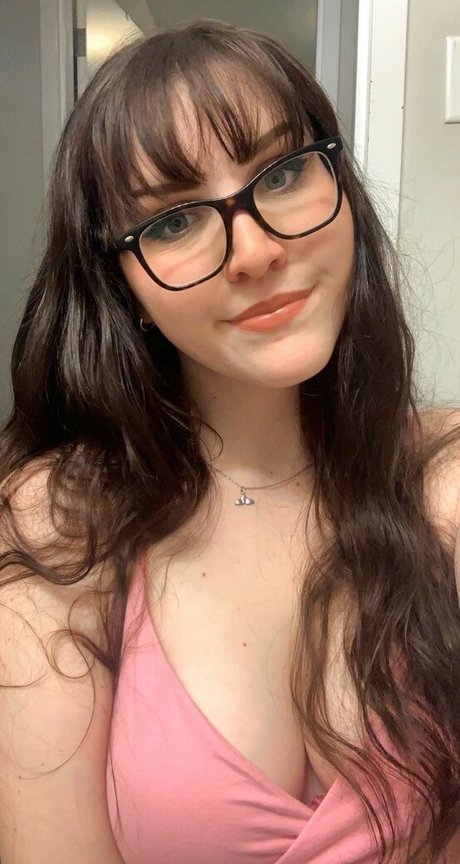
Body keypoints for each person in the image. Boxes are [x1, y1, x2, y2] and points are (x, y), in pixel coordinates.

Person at [0, 18, 459, 864]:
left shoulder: (445, 479)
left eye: (281, 174)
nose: (254, 250)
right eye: (174, 221)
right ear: (123, 285)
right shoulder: (59, 523)